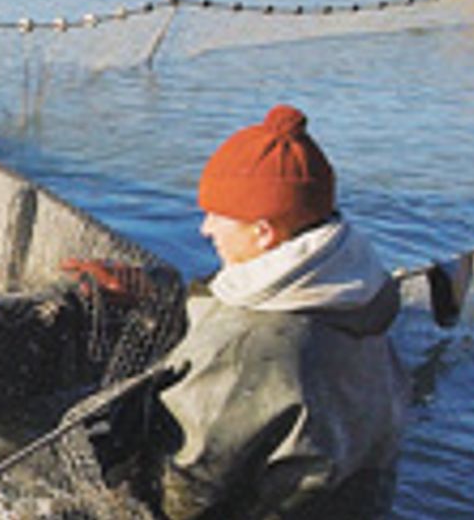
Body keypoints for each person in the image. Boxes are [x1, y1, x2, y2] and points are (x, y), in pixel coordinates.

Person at [152, 104, 409, 518]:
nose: (205, 229)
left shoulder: (251, 340)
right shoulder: (362, 294)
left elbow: (194, 489)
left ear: (263, 232)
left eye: (218, 215)